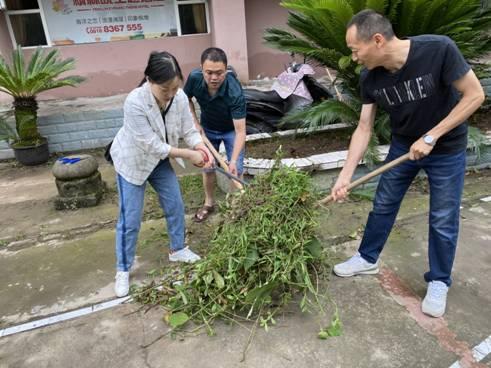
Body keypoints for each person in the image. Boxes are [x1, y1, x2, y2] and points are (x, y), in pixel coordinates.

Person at [331, 10, 485, 317]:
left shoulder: (438, 49)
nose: (354, 57)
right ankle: (367, 257)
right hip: (404, 144)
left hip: (446, 147)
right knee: (384, 203)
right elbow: (364, 128)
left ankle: (439, 280)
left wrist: (431, 137)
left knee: (442, 216)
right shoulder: (369, 78)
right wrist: (344, 176)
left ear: (377, 40)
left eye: (354, 49)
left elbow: (474, 95)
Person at [110, 51, 214, 297]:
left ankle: (177, 249)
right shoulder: (135, 102)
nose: (170, 95)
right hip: (133, 162)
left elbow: (189, 130)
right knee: (131, 220)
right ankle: (123, 269)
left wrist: (199, 146)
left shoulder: (178, 98)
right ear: (149, 80)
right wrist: (189, 155)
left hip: (159, 162)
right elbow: (152, 146)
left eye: (174, 88)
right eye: (164, 89)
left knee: (175, 204)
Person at [183, 47, 247, 222]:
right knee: (208, 167)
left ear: (225, 70)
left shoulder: (235, 92)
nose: (213, 77)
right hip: (207, 129)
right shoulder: (195, 78)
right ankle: (209, 203)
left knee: (236, 171)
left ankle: (237, 207)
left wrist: (232, 160)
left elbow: (241, 131)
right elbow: (184, 98)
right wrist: (195, 122)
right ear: (201, 69)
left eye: (219, 73)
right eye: (209, 72)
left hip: (231, 131)